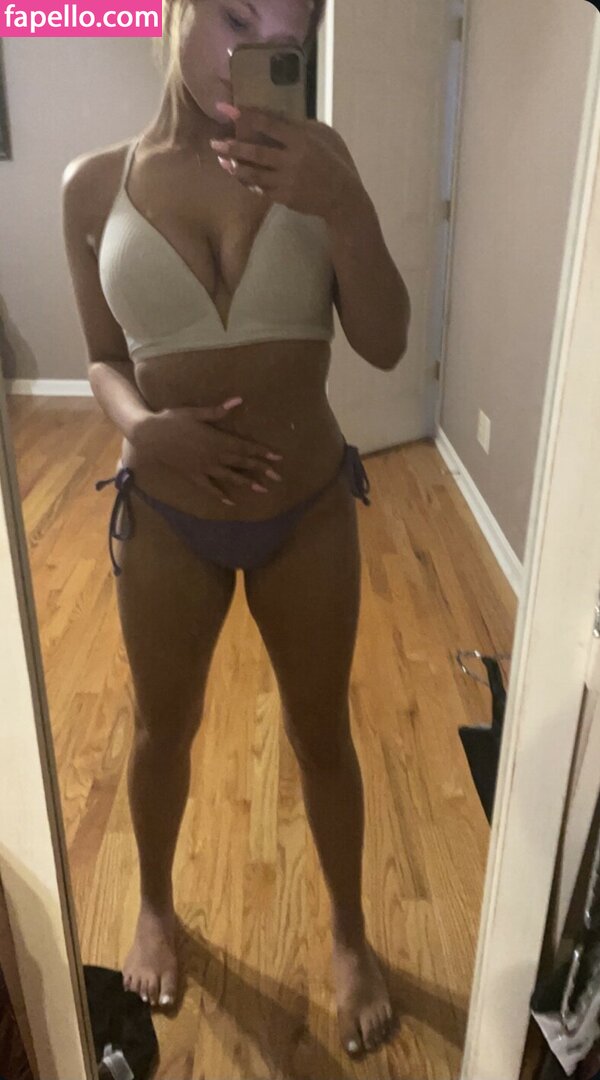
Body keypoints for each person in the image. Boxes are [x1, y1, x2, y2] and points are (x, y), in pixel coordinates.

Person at [62, 0, 411, 1058]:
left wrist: (343, 204)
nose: (255, 52)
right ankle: (155, 905)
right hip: (167, 515)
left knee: (322, 735)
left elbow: (386, 343)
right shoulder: (91, 186)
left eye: (285, 35)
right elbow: (100, 357)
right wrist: (140, 430)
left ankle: (349, 934)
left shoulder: (321, 162)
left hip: (307, 511)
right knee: (161, 730)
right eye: (233, 16)